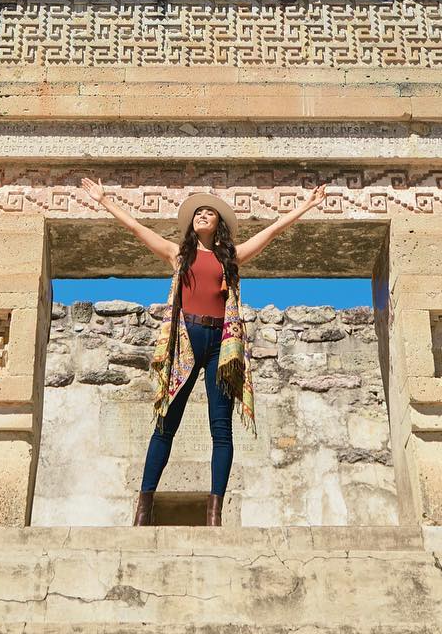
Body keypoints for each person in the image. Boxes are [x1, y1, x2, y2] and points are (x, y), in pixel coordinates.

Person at [80, 178, 329, 526]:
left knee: (221, 429)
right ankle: (143, 509)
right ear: (192, 223)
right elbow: (137, 229)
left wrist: (305, 206)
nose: (203, 215)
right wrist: (104, 200)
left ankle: (214, 514)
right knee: (166, 423)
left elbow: (271, 232)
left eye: (209, 212)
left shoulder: (233, 258)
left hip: (222, 346)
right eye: (198, 212)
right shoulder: (179, 254)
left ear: (218, 224)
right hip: (185, 338)